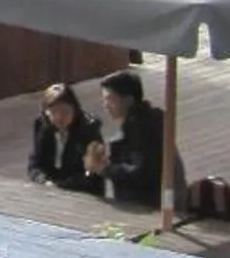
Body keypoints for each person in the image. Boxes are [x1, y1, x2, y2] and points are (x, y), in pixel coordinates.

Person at [86, 68, 167, 207]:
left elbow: (140, 172)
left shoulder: (141, 128)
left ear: (129, 100)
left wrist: (103, 168)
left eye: (110, 99)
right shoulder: (148, 118)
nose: (106, 106)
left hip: (148, 203)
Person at [28, 84, 105, 194]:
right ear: (46, 111)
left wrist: (60, 186)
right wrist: (43, 181)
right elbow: (36, 163)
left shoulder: (89, 128)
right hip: (51, 189)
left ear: (75, 109)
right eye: (54, 111)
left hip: (82, 191)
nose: (59, 117)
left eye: (65, 111)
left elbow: (91, 173)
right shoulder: (41, 124)